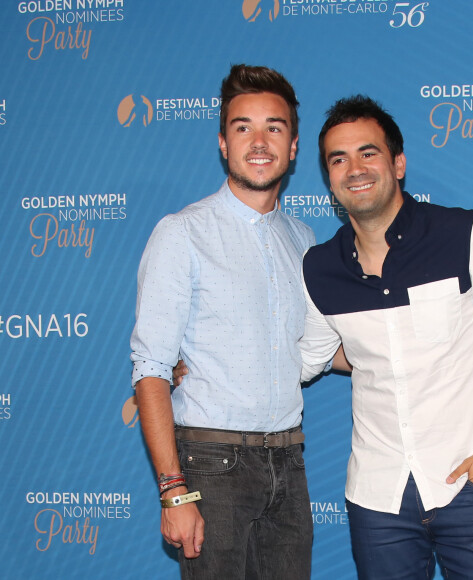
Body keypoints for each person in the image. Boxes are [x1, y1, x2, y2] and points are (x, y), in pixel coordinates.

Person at [299, 95, 473, 579]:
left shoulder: (466, 234)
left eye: (368, 153)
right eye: (338, 158)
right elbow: (307, 357)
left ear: (398, 163)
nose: (355, 168)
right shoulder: (320, 268)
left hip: (470, 489)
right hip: (377, 499)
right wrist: (206, 362)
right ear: (329, 178)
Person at [130, 64, 314, 580]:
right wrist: (173, 491)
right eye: (243, 128)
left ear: (293, 146)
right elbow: (150, 369)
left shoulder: (304, 241)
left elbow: (318, 349)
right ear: (223, 143)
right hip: (213, 467)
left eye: (274, 127)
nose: (259, 141)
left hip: (290, 461)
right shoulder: (182, 233)